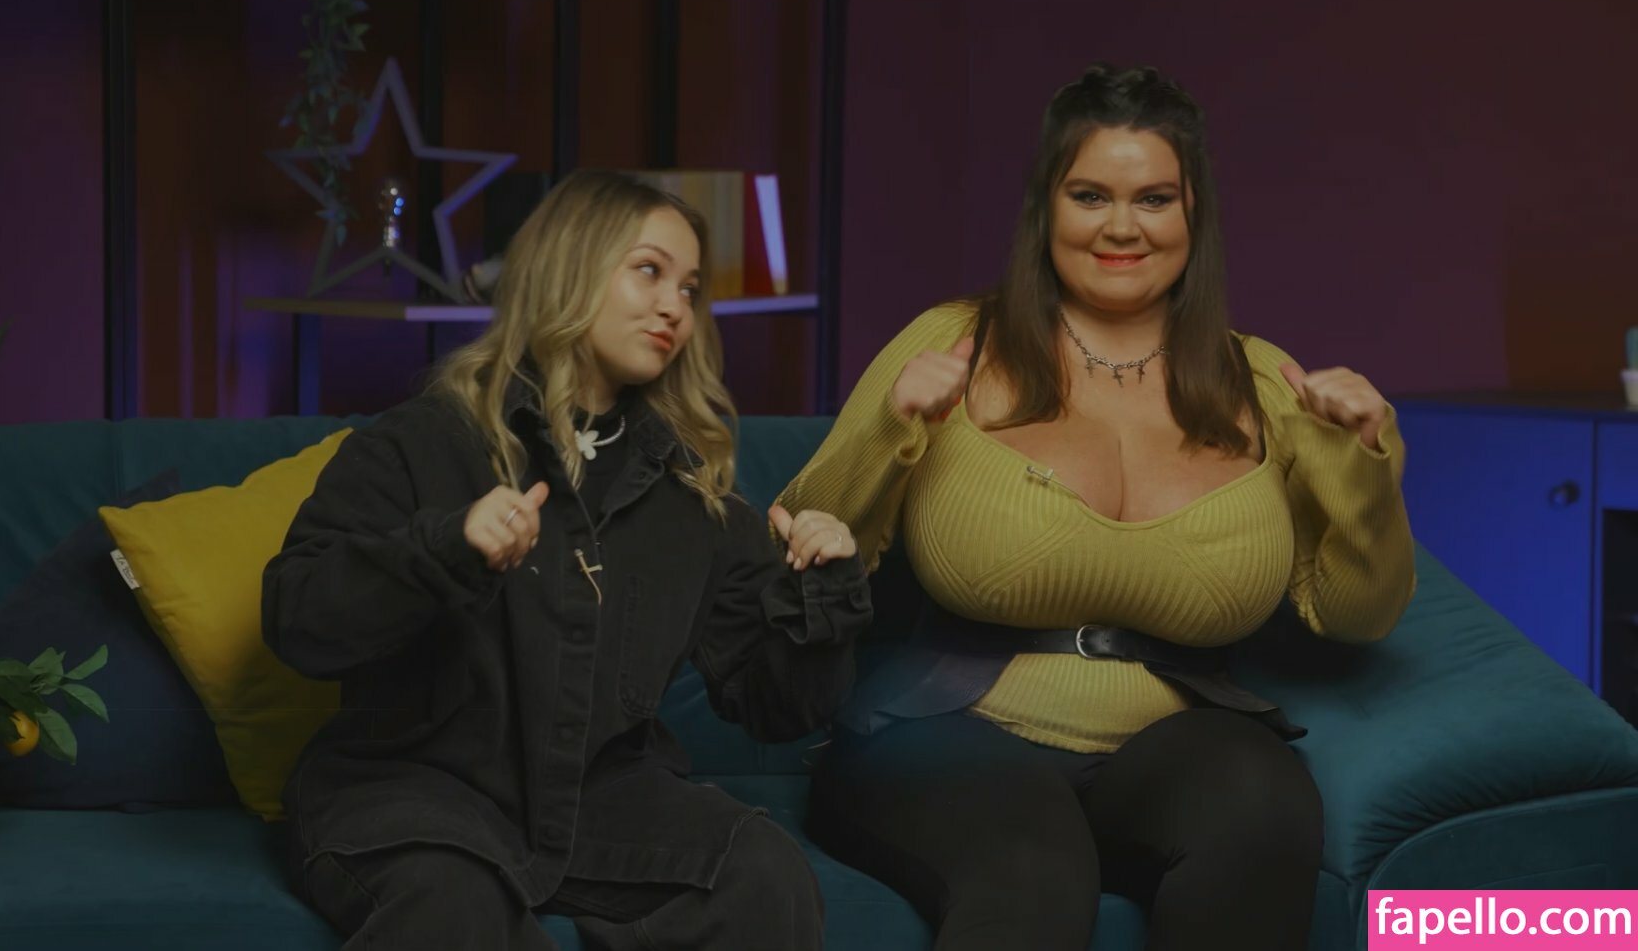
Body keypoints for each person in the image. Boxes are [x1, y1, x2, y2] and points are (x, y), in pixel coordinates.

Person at [776, 65, 1416, 950]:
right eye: (1089, 195)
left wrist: (1366, 463)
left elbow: (1357, 615)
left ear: (1193, 214)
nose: (1121, 226)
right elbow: (802, 539)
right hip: (948, 731)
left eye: (1153, 198)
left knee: (1265, 808)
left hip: (1168, 740)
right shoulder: (954, 342)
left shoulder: (1269, 382)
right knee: (1035, 870)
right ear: (1046, 207)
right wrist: (893, 425)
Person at [262, 169, 871, 950]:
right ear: (569, 268)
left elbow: (776, 705)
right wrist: (446, 548)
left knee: (761, 873)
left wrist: (822, 588)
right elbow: (297, 615)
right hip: (413, 790)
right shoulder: (427, 437)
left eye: (689, 289)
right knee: (456, 906)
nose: (674, 307)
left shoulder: (693, 497)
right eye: (649, 271)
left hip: (599, 802)